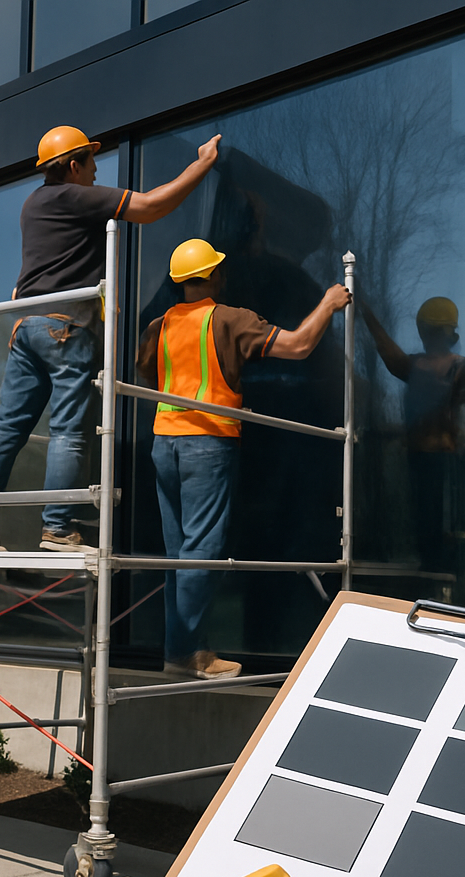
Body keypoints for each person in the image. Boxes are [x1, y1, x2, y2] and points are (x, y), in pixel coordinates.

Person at [0, 125, 222, 551]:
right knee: (68, 429)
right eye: (91, 161)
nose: (97, 170)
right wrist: (203, 164)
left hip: (25, 327)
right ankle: (58, 528)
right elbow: (152, 206)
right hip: (64, 327)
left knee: (8, 428)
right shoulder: (73, 197)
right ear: (72, 166)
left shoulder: (33, 204)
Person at [137, 238, 352, 679]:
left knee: (178, 554)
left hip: (164, 442)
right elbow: (297, 346)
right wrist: (329, 304)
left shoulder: (158, 325)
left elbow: (148, 372)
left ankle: (183, 649)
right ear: (215, 276)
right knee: (203, 550)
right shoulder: (230, 319)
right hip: (207, 442)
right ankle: (184, 654)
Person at [361, 296, 465, 576]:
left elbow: (389, 351)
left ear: (427, 330)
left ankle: (442, 572)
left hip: (445, 461)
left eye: (426, 330)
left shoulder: (458, 369)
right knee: (427, 523)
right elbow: (389, 352)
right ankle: (434, 571)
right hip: (426, 459)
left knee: (440, 522)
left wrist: (365, 308)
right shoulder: (424, 366)